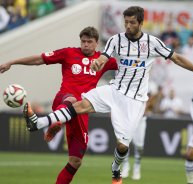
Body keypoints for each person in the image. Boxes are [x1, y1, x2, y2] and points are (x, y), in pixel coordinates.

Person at [22, 6, 193, 184]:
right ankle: (37, 123)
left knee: (123, 146)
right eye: (125, 22)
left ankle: (116, 169)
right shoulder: (117, 40)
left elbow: (176, 58)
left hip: (134, 101)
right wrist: (98, 62)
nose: (127, 26)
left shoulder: (152, 43)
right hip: (114, 90)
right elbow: (104, 56)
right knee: (79, 105)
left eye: (132, 22)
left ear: (141, 23)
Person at [0, 26, 118, 184]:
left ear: (97, 43)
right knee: (73, 101)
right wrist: (12, 62)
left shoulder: (104, 60)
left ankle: (56, 123)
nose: (85, 44)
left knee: (75, 161)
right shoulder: (68, 53)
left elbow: (129, 67)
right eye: (83, 41)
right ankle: (56, 121)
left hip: (83, 110)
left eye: (89, 42)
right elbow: (38, 60)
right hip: (64, 98)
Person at [121, 93, 153, 180]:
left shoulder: (146, 86)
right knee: (125, 143)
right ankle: (125, 165)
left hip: (140, 121)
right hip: (128, 119)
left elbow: (149, 100)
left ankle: (137, 167)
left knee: (139, 146)